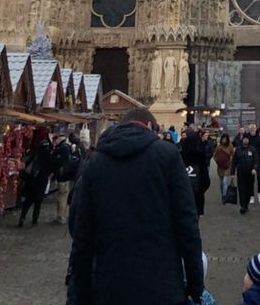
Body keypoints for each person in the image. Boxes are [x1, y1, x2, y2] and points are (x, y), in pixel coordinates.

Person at [71, 107, 203, 305]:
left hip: (111, 288)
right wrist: (195, 284)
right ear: (149, 126)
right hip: (161, 286)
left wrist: (81, 294)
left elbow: (83, 237)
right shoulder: (167, 155)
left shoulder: (96, 162)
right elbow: (188, 225)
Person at [18, 127, 52, 227]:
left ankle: (22, 218)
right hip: (41, 179)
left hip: (32, 178)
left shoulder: (35, 150)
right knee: (38, 202)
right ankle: (34, 221)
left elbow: (28, 161)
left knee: (28, 201)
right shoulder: (48, 152)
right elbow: (51, 165)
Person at [180, 124, 211, 217]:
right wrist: (201, 191)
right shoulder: (200, 155)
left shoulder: (179, 156)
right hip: (197, 194)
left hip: (183, 197)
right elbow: (206, 179)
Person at [233, 132, 257, 215]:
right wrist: (233, 171)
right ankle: (242, 206)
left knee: (249, 190)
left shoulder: (252, 149)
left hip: (250, 174)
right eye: (244, 139)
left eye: (247, 139)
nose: (245, 140)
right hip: (241, 173)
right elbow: (234, 161)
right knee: (242, 189)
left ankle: (246, 204)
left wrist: (254, 168)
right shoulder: (238, 149)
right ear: (242, 140)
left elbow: (256, 161)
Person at [215, 132, 235, 201]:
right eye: (223, 139)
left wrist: (230, 162)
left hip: (227, 167)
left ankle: (224, 196)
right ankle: (223, 193)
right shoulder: (218, 147)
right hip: (220, 167)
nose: (224, 141)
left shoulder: (230, 146)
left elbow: (233, 155)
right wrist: (217, 161)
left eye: (225, 139)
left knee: (224, 182)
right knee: (221, 183)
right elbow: (215, 156)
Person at [249, 124, 260, 203]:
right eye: (251, 129)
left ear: (256, 129)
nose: (252, 130)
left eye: (253, 129)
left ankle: (259, 193)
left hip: (259, 162)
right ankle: (251, 196)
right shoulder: (247, 138)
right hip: (249, 162)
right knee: (250, 180)